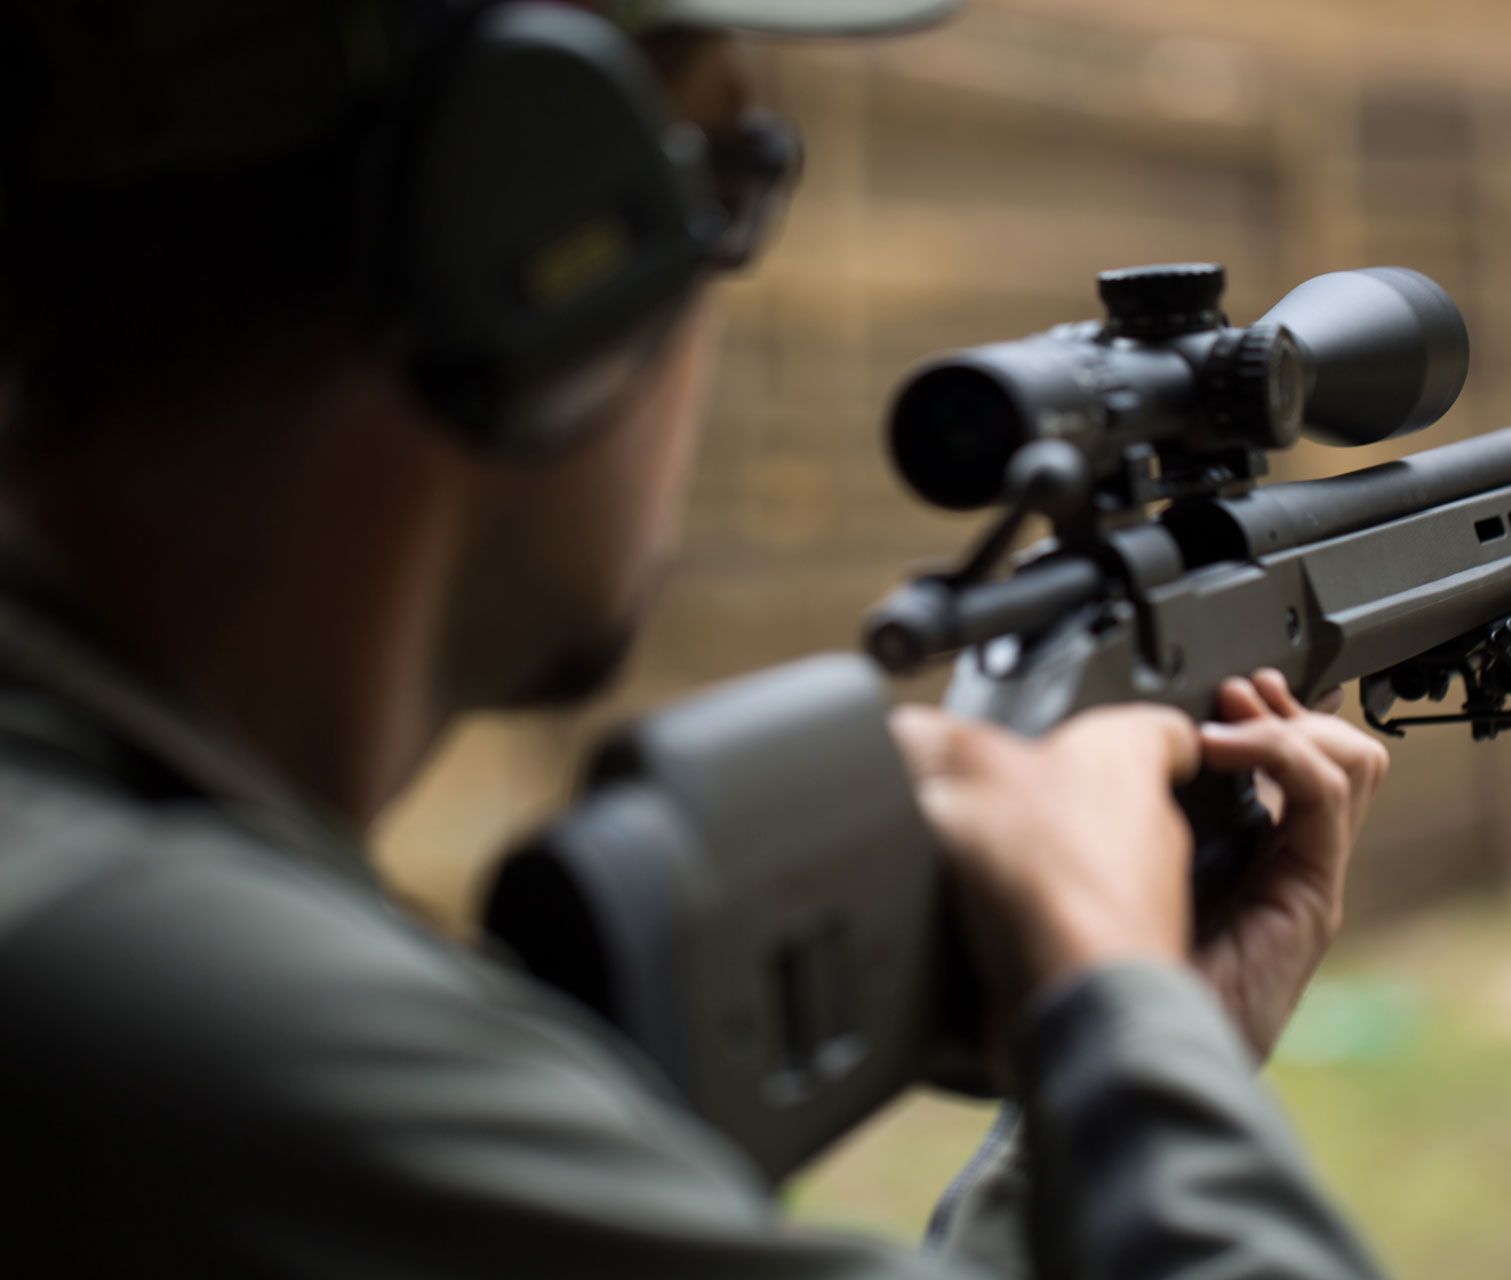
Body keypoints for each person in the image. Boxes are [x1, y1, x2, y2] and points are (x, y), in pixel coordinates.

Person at [0, 1, 1392, 1276]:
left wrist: (1124, 1071)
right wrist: (1118, 999)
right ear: (538, 249)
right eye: (726, 179)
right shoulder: (183, 1032)